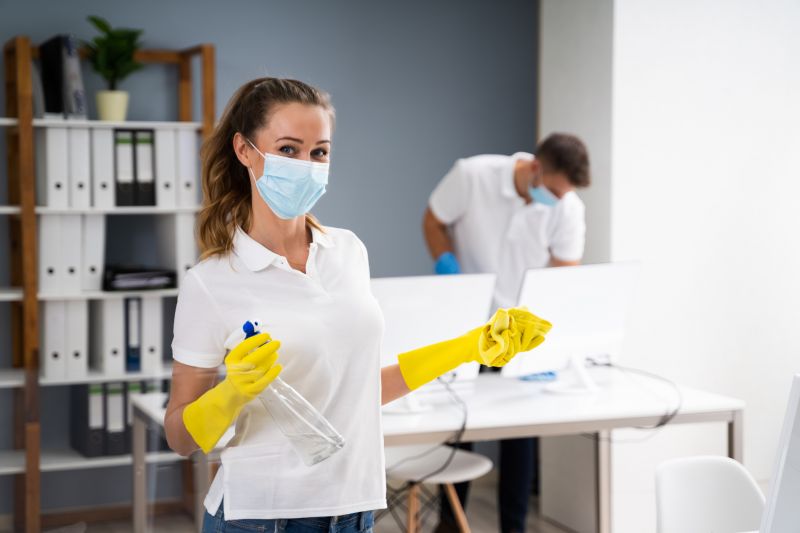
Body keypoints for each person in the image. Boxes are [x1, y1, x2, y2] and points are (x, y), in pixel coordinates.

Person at [163, 77, 552, 533]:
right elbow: (180, 437)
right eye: (288, 149)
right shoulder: (211, 282)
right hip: (262, 518)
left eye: (319, 152)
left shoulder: (347, 251)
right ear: (245, 150)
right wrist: (230, 395)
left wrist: (469, 348)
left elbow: (361, 389)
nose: (306, 165)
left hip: (355, 510)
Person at [423, 133, 591, 533]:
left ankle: (513, 528)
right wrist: (447, 263)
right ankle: (450, 524)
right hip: (467, 323)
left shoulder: (567, 207)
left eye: (564, 193)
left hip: (519, 329)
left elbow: (564, 271)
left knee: (520, 434)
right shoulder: (473, 175)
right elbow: (433, 219)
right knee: (460, 426)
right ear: (535, 167)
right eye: (552, 189)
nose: (558, 198)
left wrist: (543, 339)